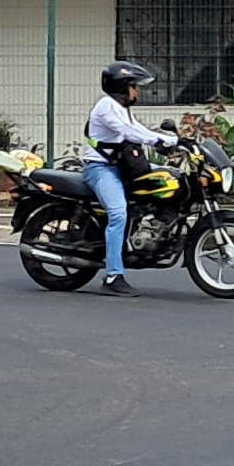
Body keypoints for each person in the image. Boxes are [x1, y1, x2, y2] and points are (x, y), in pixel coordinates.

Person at [81, 61, 159, 294]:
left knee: (168, 176)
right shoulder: (106, 106)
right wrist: (165, 140)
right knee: (117, 213)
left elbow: (140, 131)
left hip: (121, 166)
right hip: (100, 169)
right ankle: (113, 276)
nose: (138, 91)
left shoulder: (121, 108)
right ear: (122, 86)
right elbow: (130, 133)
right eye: (135, 86)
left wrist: (172, 141)